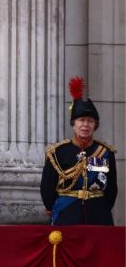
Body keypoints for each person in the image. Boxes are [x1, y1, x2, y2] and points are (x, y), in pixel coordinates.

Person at [40, 77, 118, 225]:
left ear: (95, 125)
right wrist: (53, 208)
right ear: (73, 124)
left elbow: (111, 189)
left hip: (98, 215)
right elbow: (47, 187)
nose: (85, 125)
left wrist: (102, 207)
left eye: (90, 121)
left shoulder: (105, 152)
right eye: (81, 120)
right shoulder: (58, 152)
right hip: (67, 214)